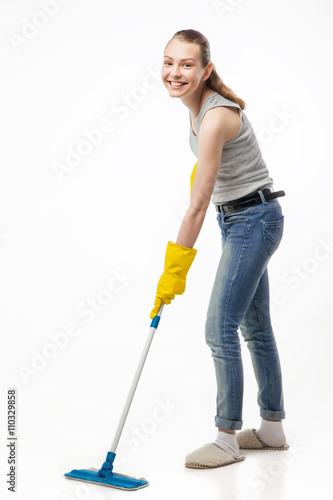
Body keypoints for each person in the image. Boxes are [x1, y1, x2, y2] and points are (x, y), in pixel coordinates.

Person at [150, 29, 288, 469]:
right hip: (240, 219)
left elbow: (196, 205)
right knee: (255, 325)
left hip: (254, 221)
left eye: (187, 64)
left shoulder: (214, 116)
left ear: (206, 70)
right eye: (169, 62)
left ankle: (226, 438)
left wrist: (175, 270)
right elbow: (214, 174)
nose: (175, 72)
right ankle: (271, 430)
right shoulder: (196, 109)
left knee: (219, 327)